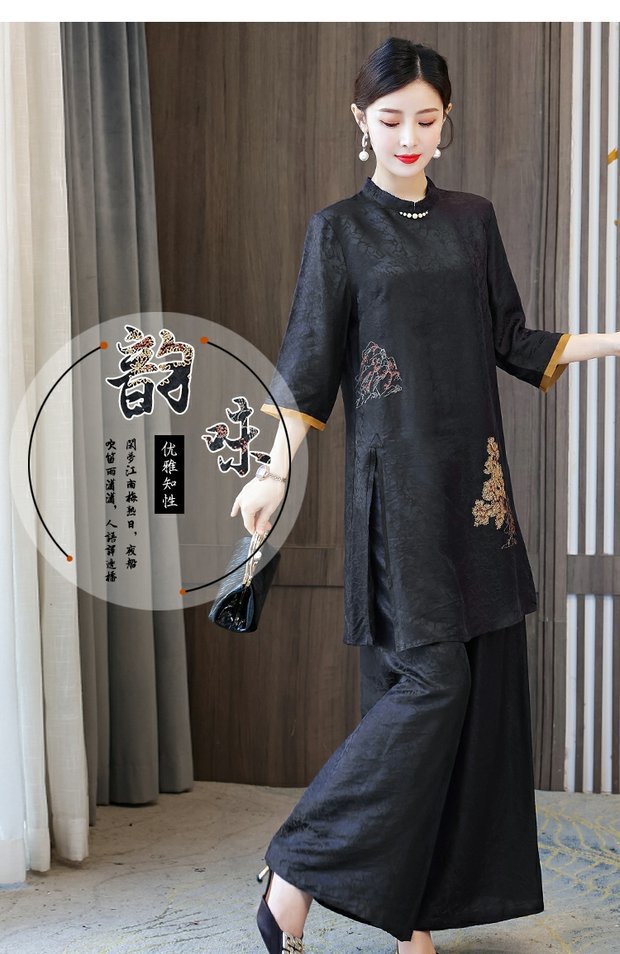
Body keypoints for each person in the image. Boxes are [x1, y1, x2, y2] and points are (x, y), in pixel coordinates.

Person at [231, 36, 619, 954]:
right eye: (391, 119)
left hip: (476, 493)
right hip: (395, 496)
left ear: (447, 123)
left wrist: (612, 339)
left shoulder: (472, 220)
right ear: (361, 123)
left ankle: (412, 917)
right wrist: (273, 469)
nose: (409, 137)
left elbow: (515, 341)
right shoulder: (338, 231)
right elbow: (306, 369)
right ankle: (296, 865)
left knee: (470, 707)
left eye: (426, 119)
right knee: (431, 687)